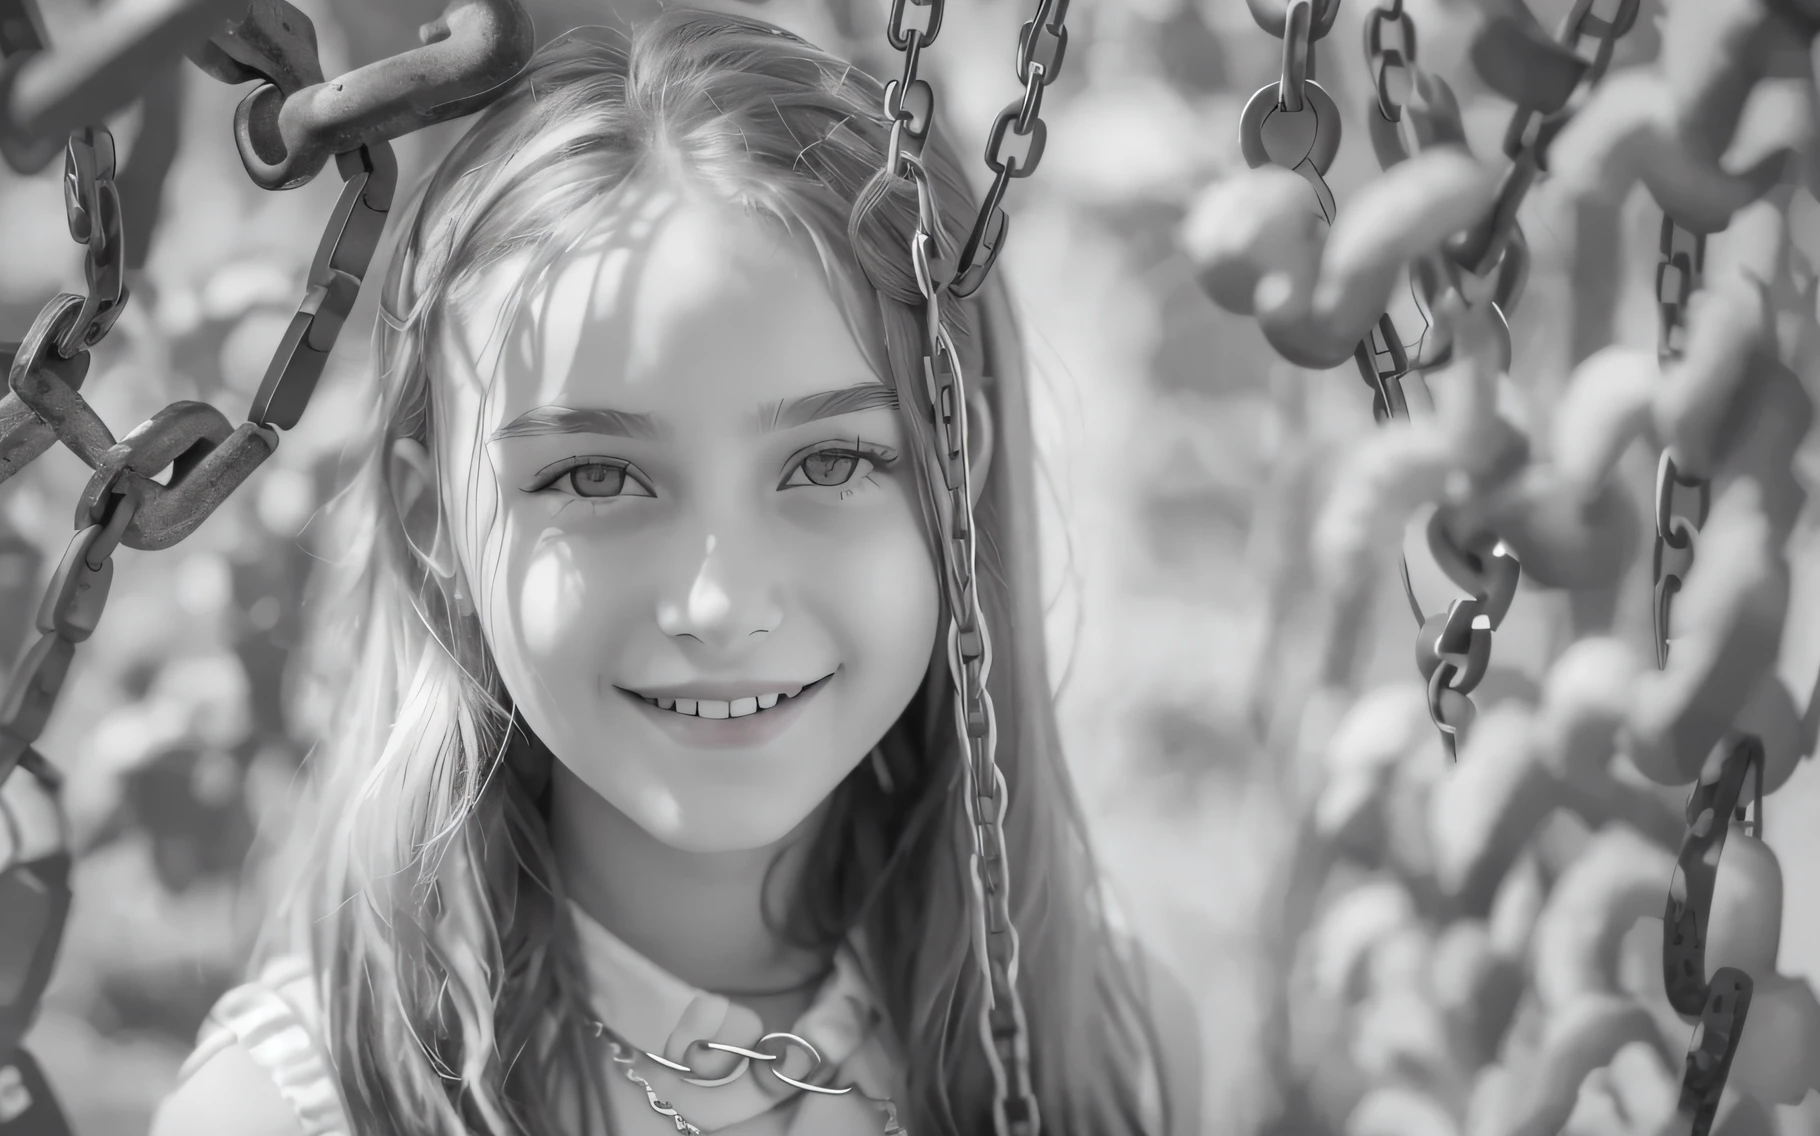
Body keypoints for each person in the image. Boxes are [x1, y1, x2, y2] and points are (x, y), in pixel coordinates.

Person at [150, 8, 1200, 1134]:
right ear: (433, 530)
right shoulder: (288, 1111)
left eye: (830, 458)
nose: (720, 604)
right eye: (597, 478)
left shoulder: (1112, 1048)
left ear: (954, 487)